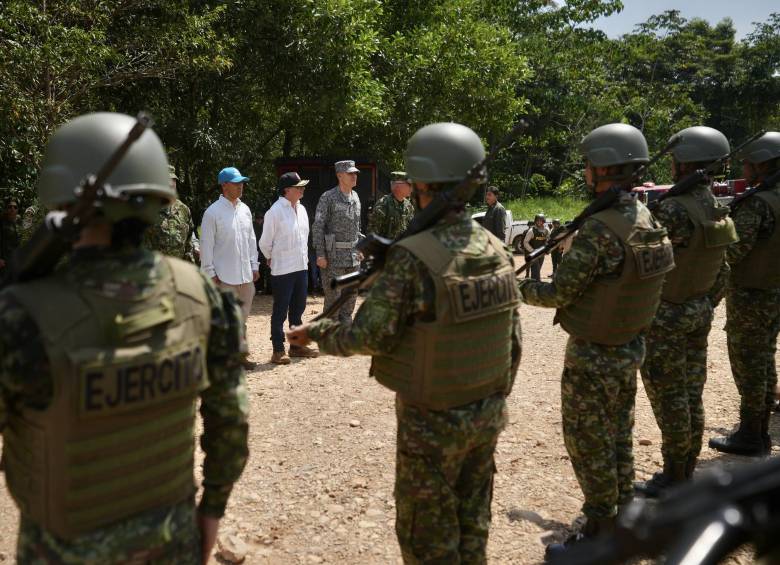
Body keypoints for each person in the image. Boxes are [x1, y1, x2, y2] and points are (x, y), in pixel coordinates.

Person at [0, 112, 249, 564]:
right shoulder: (200, 296)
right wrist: (211, 511)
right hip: (174, 542)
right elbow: (230, 421)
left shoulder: (22, 316)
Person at [287, 122, 522, 563]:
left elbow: (368, 334)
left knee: (428, 542)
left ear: (421, 184)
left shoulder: (416, 258)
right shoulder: (495, 249)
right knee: (474, 531)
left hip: (431, 424)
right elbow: (514, 344)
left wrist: (317, 331)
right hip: (487, 413)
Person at [518, 123, 673, 555]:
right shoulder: (646, 218)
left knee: (588, 440)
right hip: (628, 345)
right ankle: (621, 514)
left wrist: (511, 288)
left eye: (589, 163)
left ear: (603, 169)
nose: (585, 170)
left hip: (593, 354)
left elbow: (559, 292)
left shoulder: (602, 230)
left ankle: (601, 531)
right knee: (619, 433)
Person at [635, 126, 736, 498]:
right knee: (691, 392)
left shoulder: (674, 209)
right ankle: (685, 469)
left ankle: (675, 476)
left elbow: (641, 260)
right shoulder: (714, 205)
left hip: (667, 315)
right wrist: (707, 302)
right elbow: (723, 269)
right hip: (697, 310)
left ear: (685, 163)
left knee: (670, 397)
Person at [709, 131, 780, 457]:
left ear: (763, 164)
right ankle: (760, 431)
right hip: (773, 293)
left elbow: (732, 254)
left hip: (752, 295)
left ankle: (752, 434)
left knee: (750, 365)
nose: (744, 167)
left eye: (749, 162)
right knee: (764, 360)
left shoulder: (758, 204)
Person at [200, 166, 259, 368]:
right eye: (236, 183)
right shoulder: (212, 213)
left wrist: (254, 265)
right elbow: (205, 245)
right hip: (223, 277)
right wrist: (210, 273)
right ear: (225, 186)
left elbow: (251, 239)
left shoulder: (245, 209)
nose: (241, 186)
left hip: (245, 276)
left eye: (242, 182)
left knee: (241, 319)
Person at [259, 172, 319, 364]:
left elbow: (304, 238)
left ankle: (296, 347)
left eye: (302, 186)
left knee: (298, 310)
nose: (302, 189)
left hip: (301, 267)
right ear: (287, 190)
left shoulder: (301, 210)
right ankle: (278, 350)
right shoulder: (274, 212)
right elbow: (265, 242)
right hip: (282, 269)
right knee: (280, 312)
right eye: (298, 187)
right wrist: (271, 257)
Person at [312, 160, 362, 325]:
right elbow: (318, 227)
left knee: (351, 296)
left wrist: (361, 248)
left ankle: (345, 331)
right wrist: (320, 255)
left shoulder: (355, 197)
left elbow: (357, 226)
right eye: (350, 173)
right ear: (340, 175)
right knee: (334, 298)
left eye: (355, 173)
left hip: (353, 257)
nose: (354, 176)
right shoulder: (328, 197)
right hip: (333, 258)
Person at [142, 165, 196, 262]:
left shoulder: (183, 209)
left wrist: (189, 260)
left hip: (180, 269)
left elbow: (189, 238)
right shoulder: (148, 209)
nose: (171, 184)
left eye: (173, 180)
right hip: (155, 270)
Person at [367, 171, 415, 239]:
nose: (412, 188)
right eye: (409, 185)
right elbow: (372, 235)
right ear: (398, 186)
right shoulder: (383, 205)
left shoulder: (409, 206)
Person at [522, 213, 549, 280]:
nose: (539, 222)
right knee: (535, 271)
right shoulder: (531, 231)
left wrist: (547, 248)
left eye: (541, 221)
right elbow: (525, 242)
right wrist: (532, 250)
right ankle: (535, 283)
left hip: (542, 254)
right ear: (535, 221)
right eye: (538, 221)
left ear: (543, 221)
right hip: (533, 254)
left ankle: (534, 282)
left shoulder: (546, 230)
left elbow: (549, 240)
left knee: (538, 270)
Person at [0, 197, 20, 276]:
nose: (12, 209)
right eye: (10, 206)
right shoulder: (1, 223)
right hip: (4, 262)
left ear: (17, 210)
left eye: (15, 207)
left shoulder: (19, 224)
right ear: (6, 209)